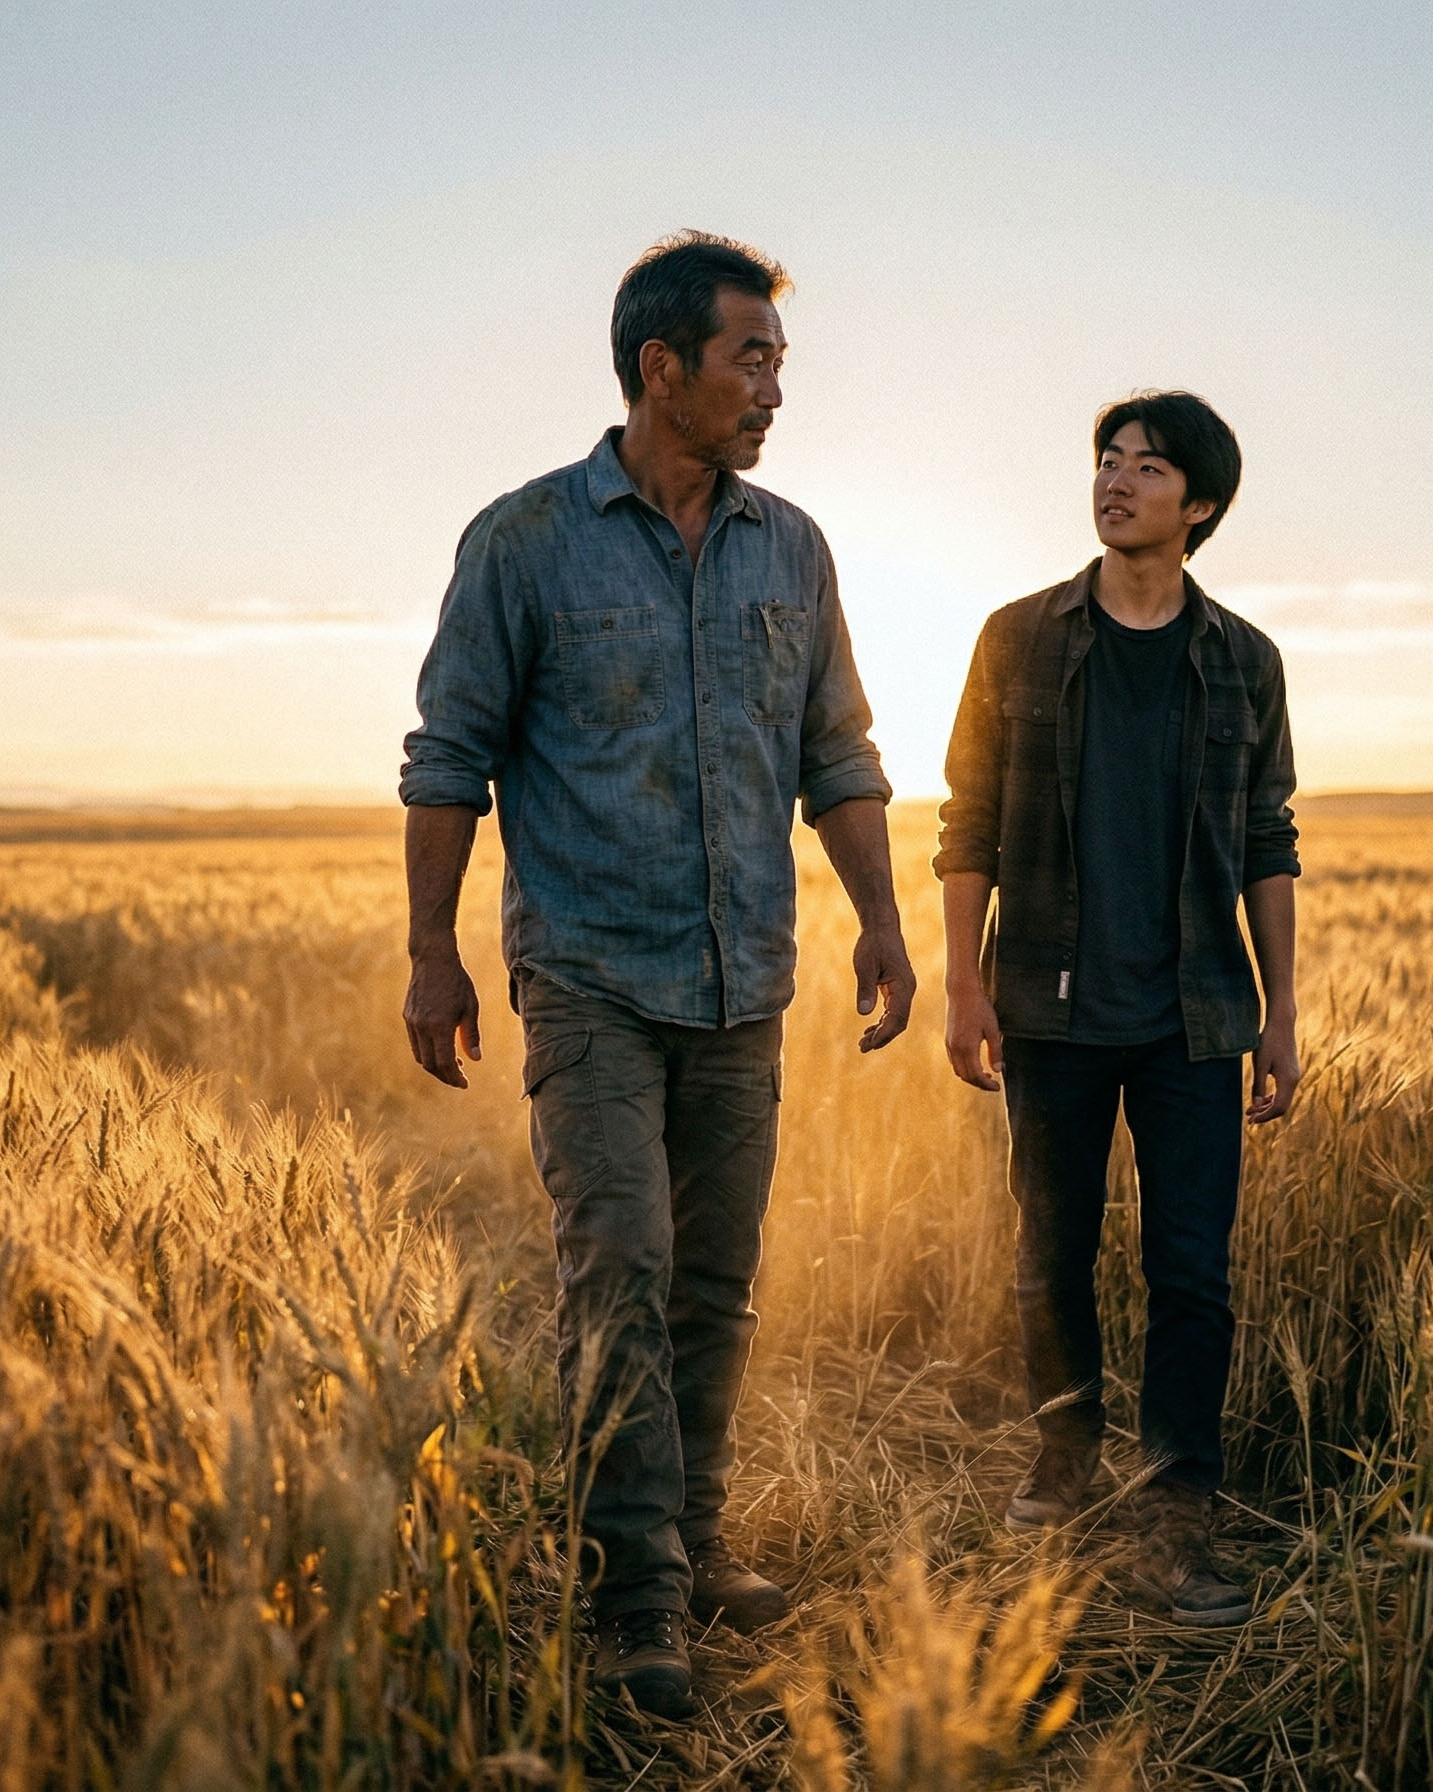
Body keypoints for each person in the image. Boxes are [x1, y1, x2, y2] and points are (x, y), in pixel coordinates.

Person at [398, 232, 915, 1716]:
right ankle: (633, 1605)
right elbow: (449, 757)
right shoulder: (523, 542)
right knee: (614, 1274)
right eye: (750, 358)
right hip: (590, 978)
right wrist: (433, 952)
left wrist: (880, 919)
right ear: (659, 370)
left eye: (779, 361)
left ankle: (690, 1548)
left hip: (745, 979)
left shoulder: (791, 548)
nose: (773, 389)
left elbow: (838, 752)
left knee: (714, 1286)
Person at [933, 390, 1301, 1627]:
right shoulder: (1018, 640)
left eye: (1149, 468)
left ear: (1198, 508)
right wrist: (965, 977)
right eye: (1106, 460)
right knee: (1052, 1251)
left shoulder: (1244, 661)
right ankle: (1064, 1458)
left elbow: (1268, 837)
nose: (1116, 480)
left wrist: (1282, 1012)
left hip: (1199, 1012)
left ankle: (1178, 1512)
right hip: (1047, 1000)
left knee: (1192, 1272)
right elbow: (968, 819)